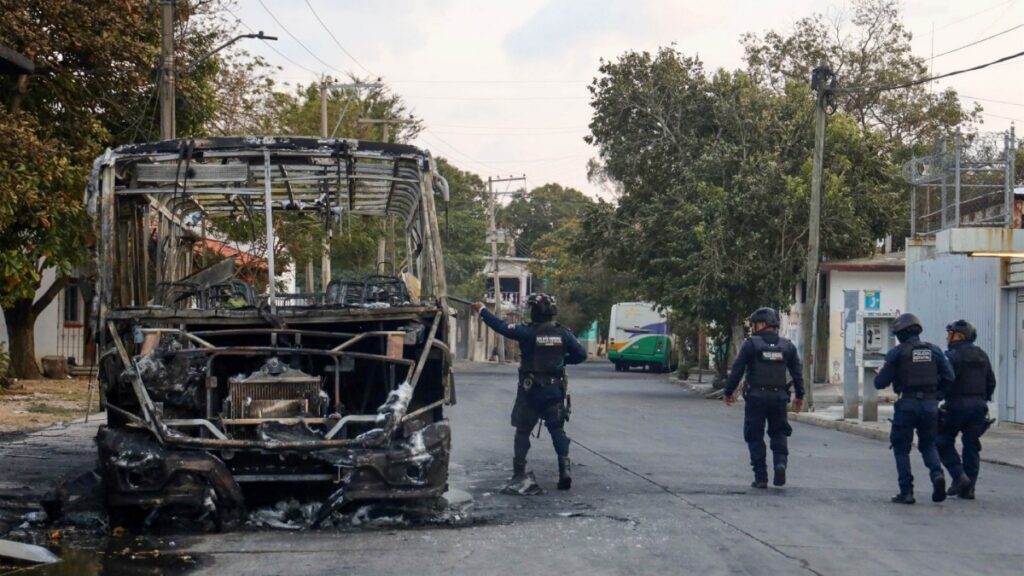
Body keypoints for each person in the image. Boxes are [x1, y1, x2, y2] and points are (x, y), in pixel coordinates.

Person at [471, 293, 587, 490]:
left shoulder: (526, 332)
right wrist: (563, 360)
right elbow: (581, 354)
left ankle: (519, 472)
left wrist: (482, 310)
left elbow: (499, 326)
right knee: (557, 431)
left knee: (522, 432)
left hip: (530, 392)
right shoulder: (563, 333)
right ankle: (565, 471)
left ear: (535, 311)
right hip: (553, 391)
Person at [874, 313, 955, 504]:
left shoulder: (897, 352)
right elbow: (950, 377)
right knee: (928, 444)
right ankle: (937, 475)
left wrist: (882, 373)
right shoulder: (934, 350)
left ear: (900, 334)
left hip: (907, 404)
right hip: (930, 405)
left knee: (901, 448)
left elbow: (880, 382)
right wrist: (938, 396)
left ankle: (907, 491)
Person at [723, 307, 804, 489]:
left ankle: (761, 477)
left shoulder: (751, 344)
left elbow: (737, 369)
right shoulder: (787, 346)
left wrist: (729, 391)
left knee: (754, 436)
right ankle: (780, 463)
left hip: (756, 397)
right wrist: (800, 395)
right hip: (779, 397)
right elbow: (797, 374)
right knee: (779, 432)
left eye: (755, 324)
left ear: (762, 324)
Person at [937, 319, 996, 500]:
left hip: (956, 404)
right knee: (971, 446)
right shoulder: (982, 354)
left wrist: (939, 396)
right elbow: (991, 381)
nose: (948, 337)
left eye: (950, 334)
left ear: (960, 336)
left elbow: (945, 378)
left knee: (942, 441)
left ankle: (959, 476)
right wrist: (982, 400)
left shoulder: (952, 355)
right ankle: (969, 488)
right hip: (978, 406)